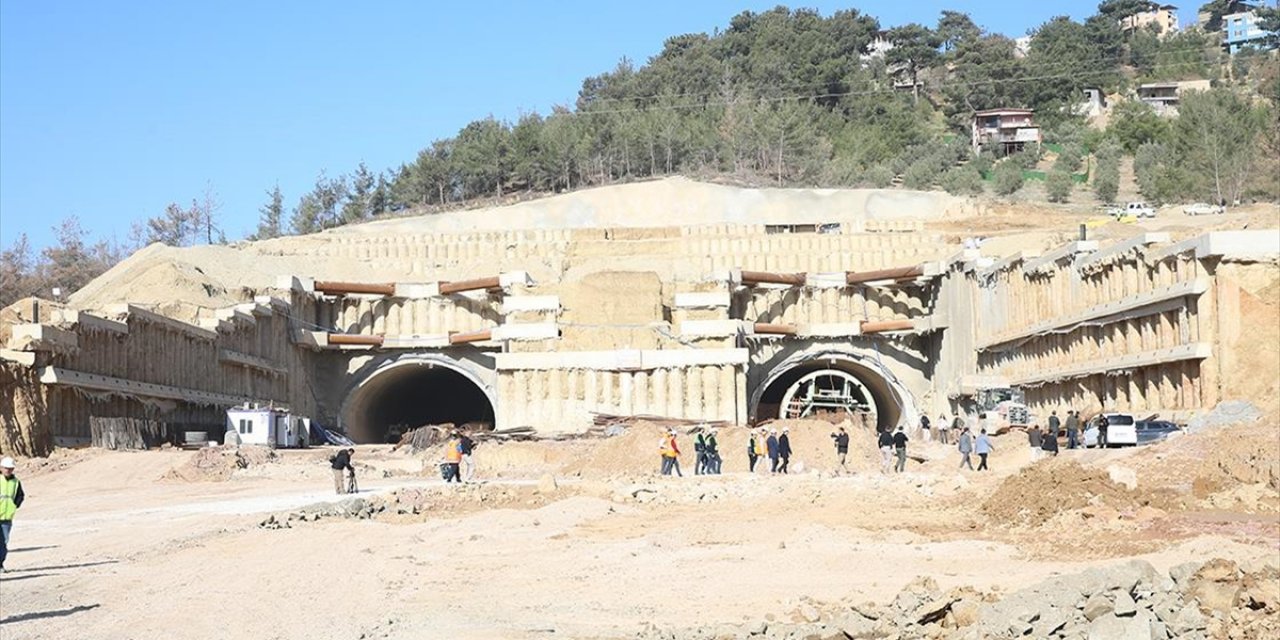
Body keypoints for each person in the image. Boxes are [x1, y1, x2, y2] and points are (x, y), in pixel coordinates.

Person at [0, 457, 26, 573]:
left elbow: (20, 495)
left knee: (4, 542)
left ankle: (0, 564)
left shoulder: (16, 482)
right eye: (6, 468)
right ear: (1, 468)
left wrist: (15, 505)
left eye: (10, 469)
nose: (8, 471)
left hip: (7, 518)